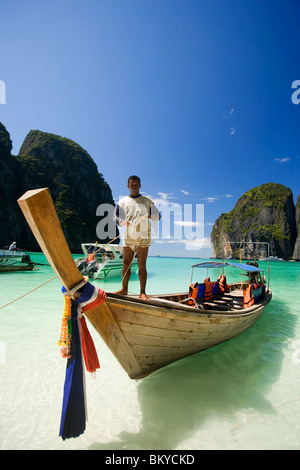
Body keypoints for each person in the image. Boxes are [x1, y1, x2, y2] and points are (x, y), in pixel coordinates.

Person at [114, 175, 160, 300]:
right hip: (129, 236)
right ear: (128, 186)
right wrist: (122, 222)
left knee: (142, 265)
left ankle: (142, 292)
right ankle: (124, 290)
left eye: (136, 184)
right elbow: (116, 217)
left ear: (140, 186)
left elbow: (158, 216)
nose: (134, 186)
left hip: (144, 236)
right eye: (131, 184)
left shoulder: (147, 201)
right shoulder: (122, 202)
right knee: (126, 264)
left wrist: (153, 215)